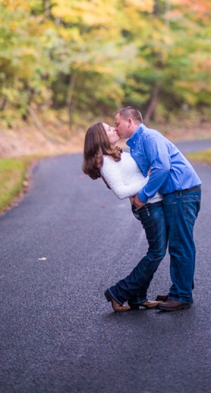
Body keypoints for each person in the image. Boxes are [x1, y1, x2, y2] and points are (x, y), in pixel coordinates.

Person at [114, 106, 202, 312]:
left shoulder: (149, 137)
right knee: (178, 244)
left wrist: (143, 196)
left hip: (183, 192)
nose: (116, 128)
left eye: (117, 123)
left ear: (129, 122)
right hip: (176, 194)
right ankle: (180, 289)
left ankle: (182, 296)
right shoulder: (136, 144)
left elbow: (162, 167)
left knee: (181, 244)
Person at [82, 122, 166, 312]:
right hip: (148, 208)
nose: (113, 129)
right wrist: (148, 181)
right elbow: (120, 191)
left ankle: (138, 296)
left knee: (156, 251)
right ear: (100, 138)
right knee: (157, 252)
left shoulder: (118, 154)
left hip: (153, 203)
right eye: (108, 129)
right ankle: (118, 293)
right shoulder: (105, 162)